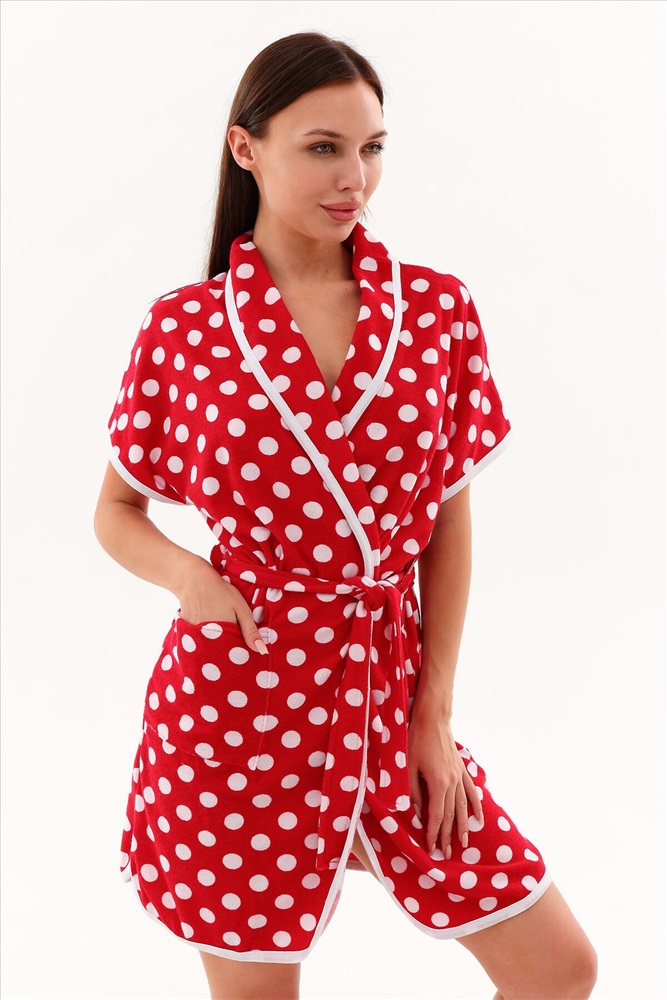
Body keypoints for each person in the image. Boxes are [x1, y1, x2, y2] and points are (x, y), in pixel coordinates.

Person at [94, 30, 597, 1000]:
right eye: (323, 147)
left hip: (389, 694)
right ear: (246, 148)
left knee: (557, 967)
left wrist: (432, 717)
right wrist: (191, 576)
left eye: (371, 148)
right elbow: (116, 509)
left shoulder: (438, 313)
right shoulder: (184, 330)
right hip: (236, 703)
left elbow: (447, 524)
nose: (354, 176)